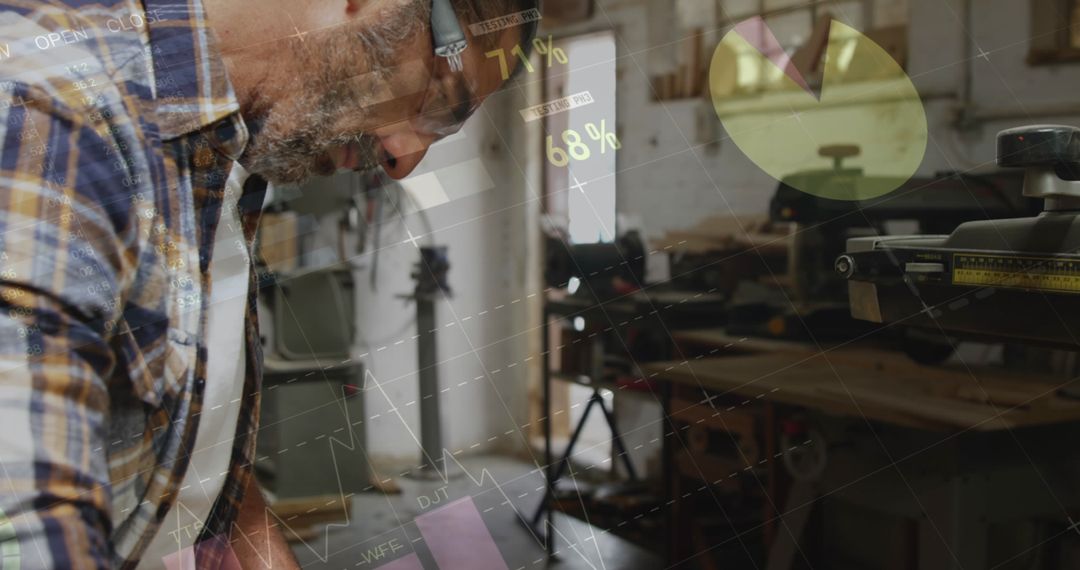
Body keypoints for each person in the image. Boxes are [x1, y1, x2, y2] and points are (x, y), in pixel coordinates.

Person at [0, 0, 538, 567]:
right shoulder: (48, 112)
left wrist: (248, 531)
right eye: (440, 105)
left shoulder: (223, 147)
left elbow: (166, 406)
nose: (403, 159)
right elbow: (28, 522)